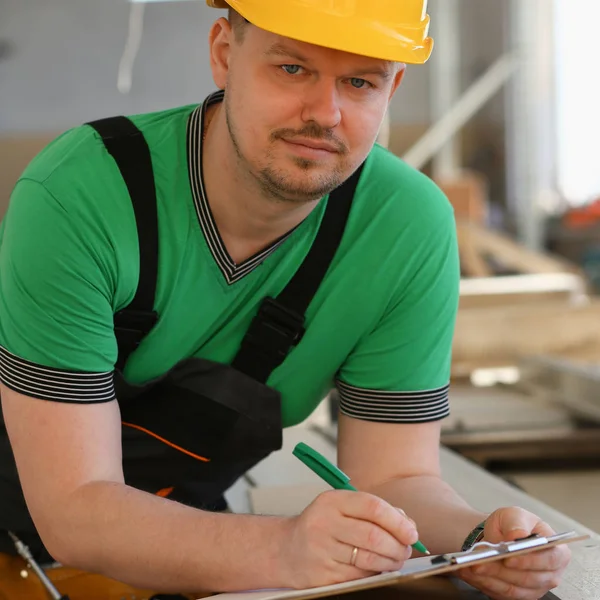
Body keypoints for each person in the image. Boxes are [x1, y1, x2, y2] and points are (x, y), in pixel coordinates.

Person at [0, 0, 570, 598]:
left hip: (172, 551)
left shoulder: (406, 227)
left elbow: (395, 476)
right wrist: (285, 548)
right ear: (224, 54)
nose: (325, 114)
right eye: (291, 69)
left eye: (359, 81)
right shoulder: (80, 195)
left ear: (393, 86)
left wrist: (478, 541)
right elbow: (75, 510)